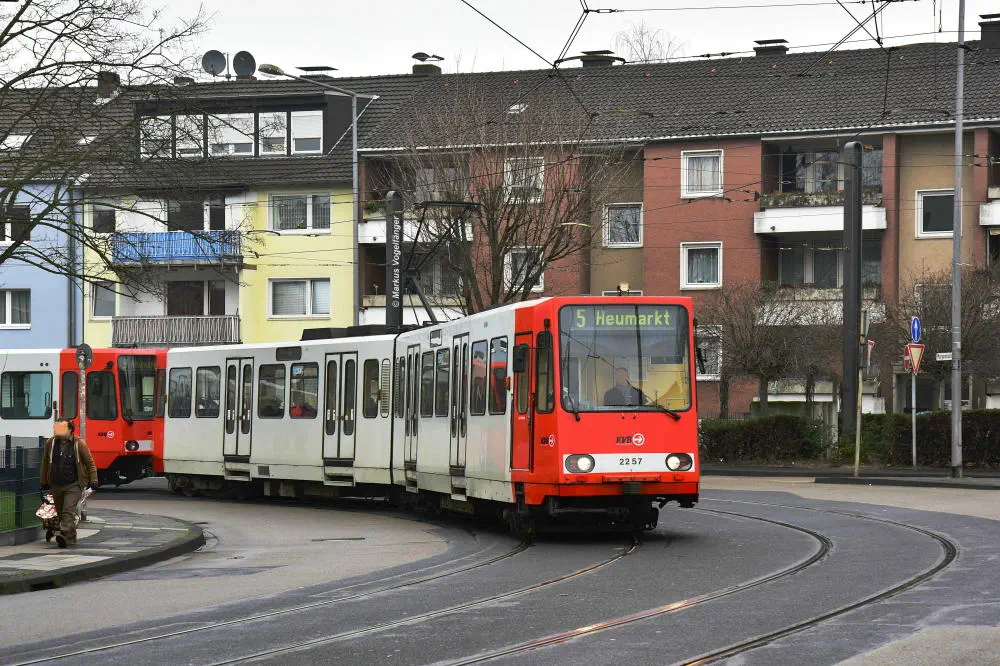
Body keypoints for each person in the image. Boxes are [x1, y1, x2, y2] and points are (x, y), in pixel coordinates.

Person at [39, 419, 97, 548]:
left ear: (70, 430)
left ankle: (64, 534)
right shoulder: (51, 443)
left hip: (73, 484)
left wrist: (94, 481)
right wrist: (44, 481)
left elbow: (90, 463)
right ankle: (70, 537)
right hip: (56, 483)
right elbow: (45, 462)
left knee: (68, 511)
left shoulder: (79, 444)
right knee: (60, 512)